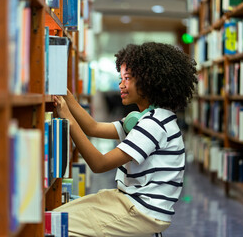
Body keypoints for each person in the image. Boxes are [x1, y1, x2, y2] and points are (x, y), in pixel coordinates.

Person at [53, 42, 197, 237]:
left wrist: (66, 119)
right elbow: (92, 127)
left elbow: (99, 163)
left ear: (149, 81)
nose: (121, 84)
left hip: (141, 211)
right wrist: (65, 95)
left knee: (56, 223)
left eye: (127, 79)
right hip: (132, 202)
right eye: (121, 78)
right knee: (59, 214)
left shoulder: (153, 124)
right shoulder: (146, 118)